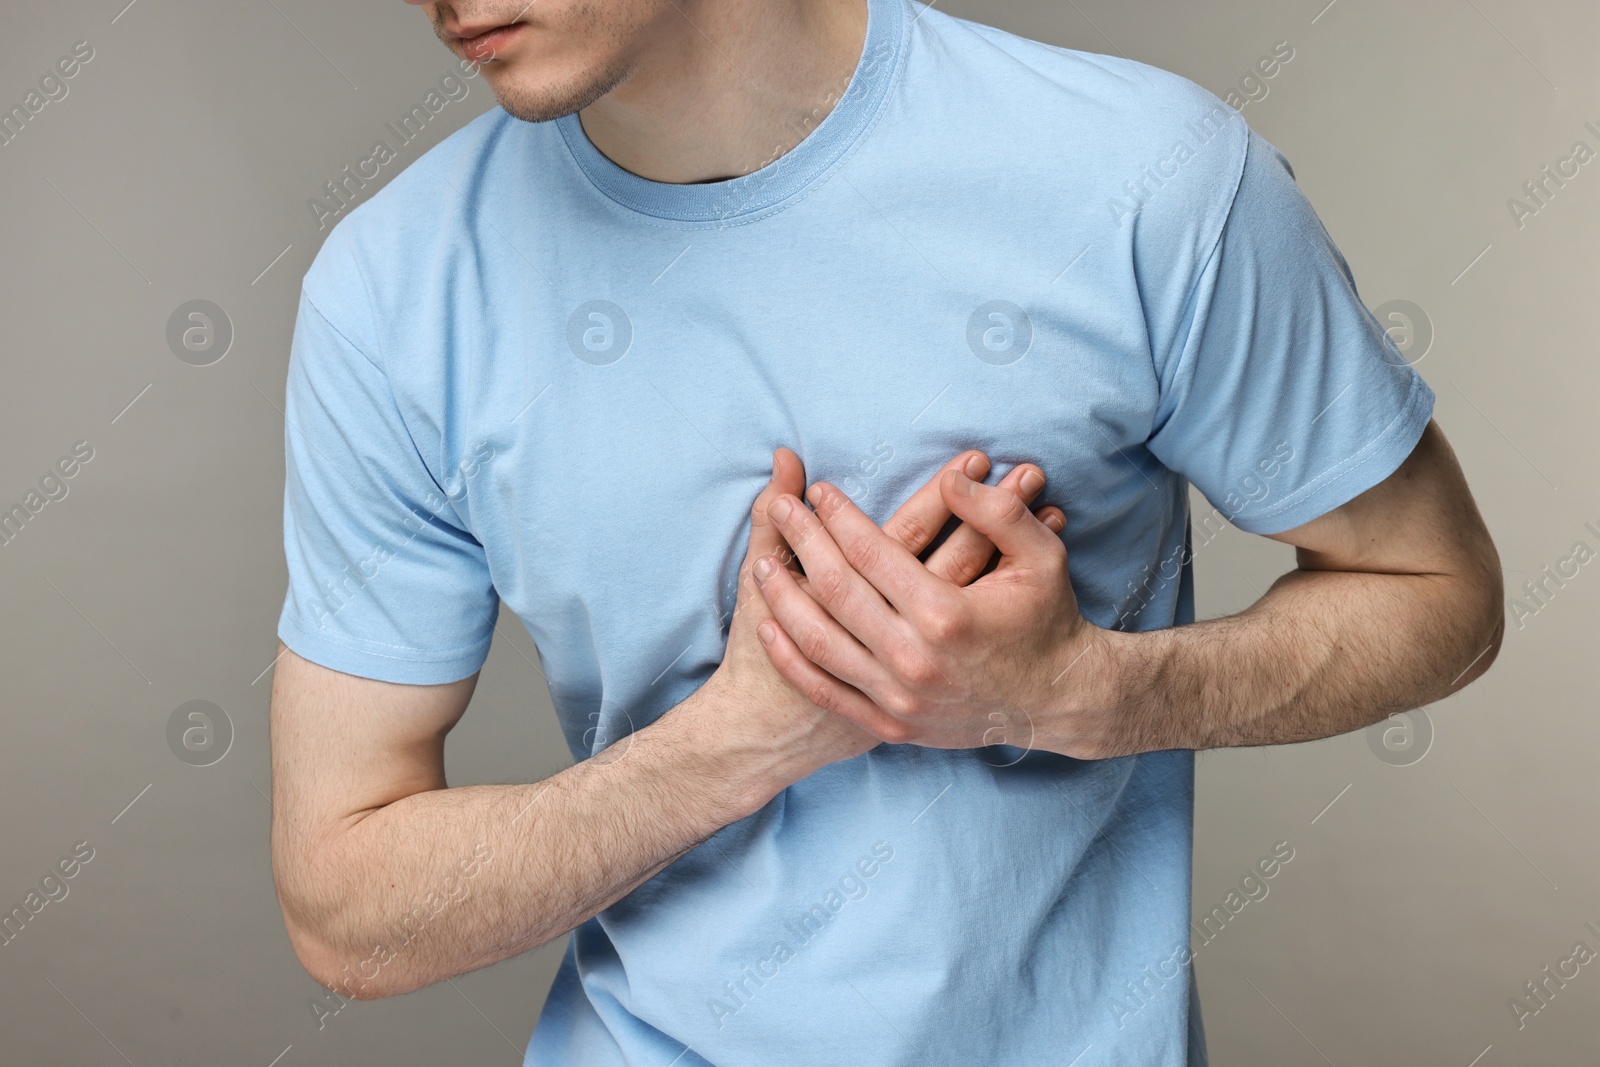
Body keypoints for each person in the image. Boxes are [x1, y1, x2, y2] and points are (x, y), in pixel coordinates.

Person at [267, 1, 1504, 1063]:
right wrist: (740, 739)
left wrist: (1077, 692)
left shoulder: (1145, 177)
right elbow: (343, 905)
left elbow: (1436, 590)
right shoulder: (391, 294)